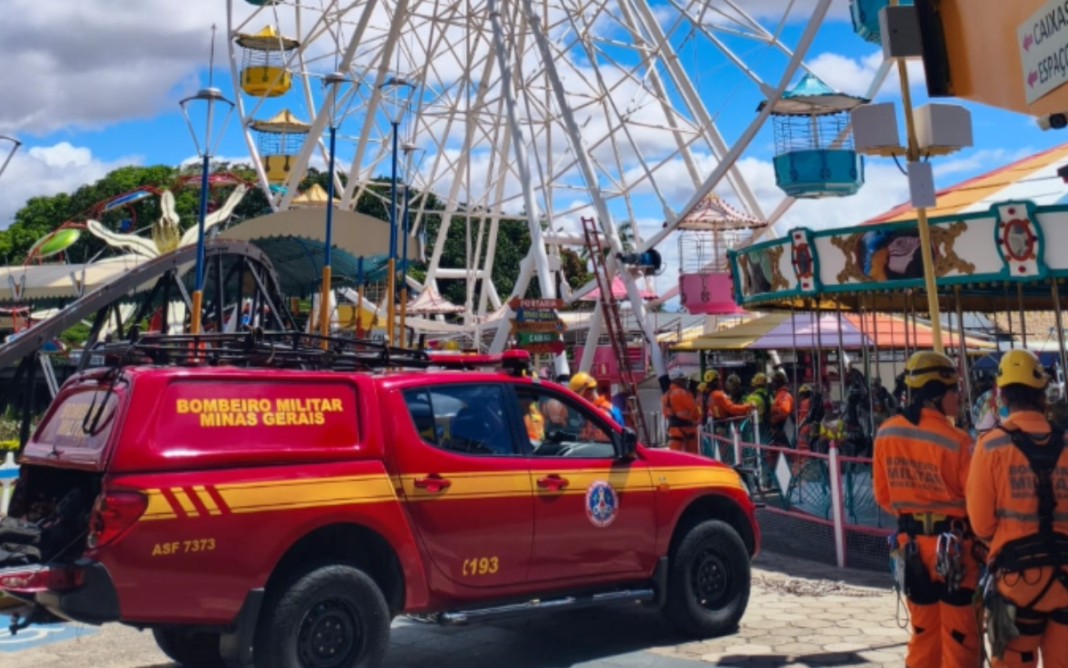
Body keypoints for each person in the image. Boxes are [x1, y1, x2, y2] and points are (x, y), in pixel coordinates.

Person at [873, 351, 978, 668]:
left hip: (911, 548)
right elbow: (976, 503)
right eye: (954, 390)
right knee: (960, 637)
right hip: (955, 550)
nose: (958, 397)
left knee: (923, 633)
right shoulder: (958, 441)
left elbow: (882, 495)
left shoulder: (887, 433)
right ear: (936, 393)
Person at [967, 349, 1068, 668]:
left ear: (1002, 396)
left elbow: (981, 524)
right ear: (1042, 395)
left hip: (1017, 583)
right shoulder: (1065, 444)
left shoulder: (991, 445)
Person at [568, 371, 617, 441]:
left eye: (577, 397)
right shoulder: (602, 409)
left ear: (588, 393)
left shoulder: (602, 414)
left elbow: (602, 443)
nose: (576, 402)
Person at [704, 370, 753, 436]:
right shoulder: (719, 395)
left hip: (717, 426)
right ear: (715, 382)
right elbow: (732, 408)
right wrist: (749, 406)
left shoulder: (709, 395)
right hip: (724, 427)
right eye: (719, 380)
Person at [662, 368, 699, 453]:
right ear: (677, 380)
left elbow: (665, 414)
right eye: (683, 379)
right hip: (687, 429)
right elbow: (694, 408)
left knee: (675, 456)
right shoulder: (682, 393)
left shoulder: (666, 395)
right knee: (692, 456)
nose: (685, 381)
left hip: (674, 430)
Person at [769, 370, 794, 447]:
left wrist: (774, 409)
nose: (772, 384)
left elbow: (785, 410)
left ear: (780, 382)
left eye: (774, 382)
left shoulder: (784, 395)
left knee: (784, 451)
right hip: (779, 430)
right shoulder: (779, 395)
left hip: (783, 430)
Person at [746, 372, 772, 440]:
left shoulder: (751, 398)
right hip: (767, 425)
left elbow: (746, 410)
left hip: (755, 425)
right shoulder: (769, 396)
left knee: (754, 444)